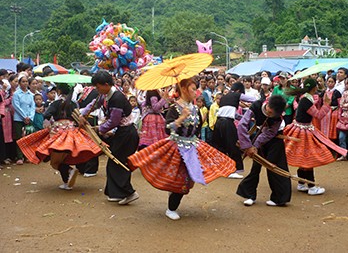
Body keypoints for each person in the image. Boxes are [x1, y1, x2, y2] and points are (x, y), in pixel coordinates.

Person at [127, 78, 235, 220]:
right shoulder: (175, 108)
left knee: (188, 179)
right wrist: (180, 119)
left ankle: (173, 201)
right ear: (183, 90)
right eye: (192, 89)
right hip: (177, 148)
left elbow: (196, 129)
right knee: (180, 180)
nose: (195, 92)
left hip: (192, 146)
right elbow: (167, 128)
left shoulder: (196, 108)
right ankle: (171, 208)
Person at [16, 83, 102, 190]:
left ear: (59, 91)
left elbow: (47, 115)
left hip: (58, 133)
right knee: (66, 156)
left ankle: (69, 175)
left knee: (55, 161)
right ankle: (68, 176)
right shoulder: (74, 104)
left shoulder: (56, 103)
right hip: (72, 132)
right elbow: (77, 118)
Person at [80, 71, 140, 204]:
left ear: (106, 85)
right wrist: (83, 114)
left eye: (98, 86)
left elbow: (114, 120)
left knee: (118, 163)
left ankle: (129, 192)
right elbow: (94, 104)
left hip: (127, 134)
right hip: (121, 133)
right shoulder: (105, 95)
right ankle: (116, 193)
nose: (97, 89)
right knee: (114, 163)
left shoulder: (116, 98)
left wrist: (100, 129)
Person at [284, 78, 347, 195]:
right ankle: (311, 187)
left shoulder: (305, 98)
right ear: (314, 88)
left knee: (304, 157)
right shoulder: (307, 100)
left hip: (298, 129)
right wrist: (327, 104)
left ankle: (301, 183)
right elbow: (318, 115)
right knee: (308, 159)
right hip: (304, 131)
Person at [237, 95, 291, 207]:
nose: (271, 115)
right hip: (258, 135)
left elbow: (270, 133)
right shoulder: (256, 105)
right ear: (268, 105)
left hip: (275, 140)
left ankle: (279, 198)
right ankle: (249, 195)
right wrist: (248, 146)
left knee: (275, 167)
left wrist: (255, 145)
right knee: (255, 167)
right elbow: (242, 124)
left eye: (273, 114)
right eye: (270, 112)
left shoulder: (278, 117)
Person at [211, 82, 256, 178]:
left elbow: (234, 114)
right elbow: (253, 99)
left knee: (220, 146)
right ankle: (233, 169)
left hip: (218, 123)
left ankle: (219, 168)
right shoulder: (236, 94)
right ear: (239, 90)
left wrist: (245, 118)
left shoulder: (224, 97)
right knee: (233, 145)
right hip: (227, 123)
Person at [12, 75, 35, 165]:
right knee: (19, 138)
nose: (25, 83)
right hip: (19, 119)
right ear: (19, 83)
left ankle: (27, 156)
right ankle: (20, 156)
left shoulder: (30, 95)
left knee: (28, 137)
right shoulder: (16, 94)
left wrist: (30, 117)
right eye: (23, 81)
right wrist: (24, 116)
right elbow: (16, 106)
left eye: (26, 82)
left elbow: (32, 107)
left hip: (29, 118)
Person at [319, 76, 342, 140]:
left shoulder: (337, 92)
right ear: (326, 82)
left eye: (332, 82)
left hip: (333, 113)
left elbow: (340, 104)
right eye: (329, 81)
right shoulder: (324, 92)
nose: (330, 83)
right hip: (324, 113)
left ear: (335, 83)